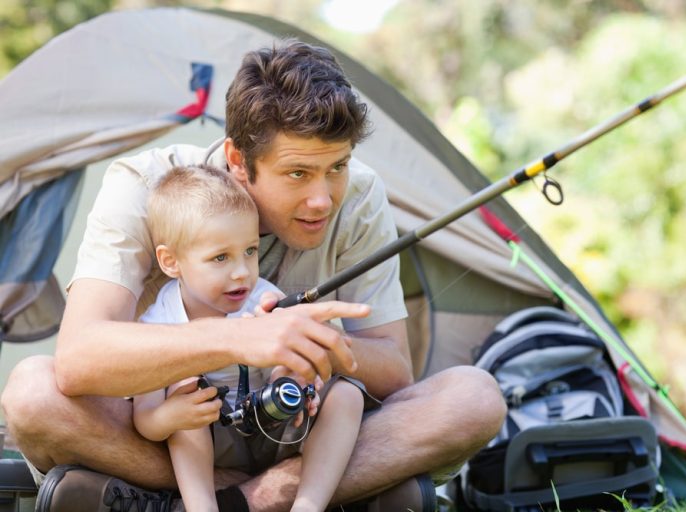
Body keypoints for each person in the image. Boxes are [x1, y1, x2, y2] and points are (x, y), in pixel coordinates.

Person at [1, 39, 507, 512]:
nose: (323, 198)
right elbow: (77, 360)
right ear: (238, 161)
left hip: (294, 428)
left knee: (475, 399)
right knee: (31, 394)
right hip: (173, 432)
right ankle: (291, 496)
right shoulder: (143, 188)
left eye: (337, 167)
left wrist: (318, 345)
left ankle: (190, 502)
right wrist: (241, 338)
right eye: (297, 174)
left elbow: (395, 370)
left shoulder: (360, 197)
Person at [133, 164, 371, 512]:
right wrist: (172, 416)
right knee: (184, 386)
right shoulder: (159, 322)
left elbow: (293, 367)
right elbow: (145, 418)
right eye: (220, 257)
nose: (242, 271)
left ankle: (308, 505)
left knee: (348, 394)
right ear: (172, 262)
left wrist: (293, 380)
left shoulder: (265, 299)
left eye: (250, 251)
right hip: (214, 439)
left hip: (275, 428)